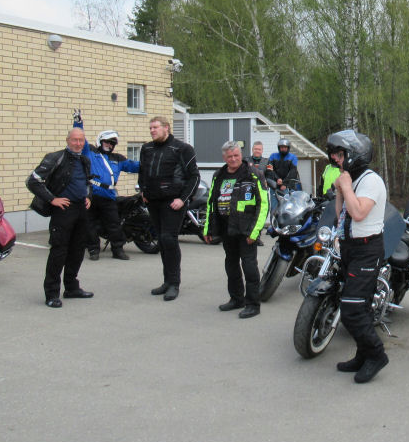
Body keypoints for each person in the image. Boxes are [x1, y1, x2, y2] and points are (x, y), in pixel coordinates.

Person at [327, 129, 389, 384]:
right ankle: (362, 355)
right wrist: (341, 191)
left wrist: (345, 186)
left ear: (354, 155)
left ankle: (376, 355)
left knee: (351, 309)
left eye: (340, 154)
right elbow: (342, 214)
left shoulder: (371, 181)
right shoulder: (352, 179)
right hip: (350, 248)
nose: (335, 159)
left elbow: (359, 213)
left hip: (367, 249)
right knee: (360, 307)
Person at [26, 128, 94, 308]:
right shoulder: (55, 158)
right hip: (63, 211)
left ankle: (71, 288)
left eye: (81, 140)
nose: (78, 143)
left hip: (81, 210)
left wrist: (88, 197)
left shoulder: (85, 160)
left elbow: (87, 182)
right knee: (59, 252)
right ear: (67, 140)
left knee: (77, 251)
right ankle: (51, 294)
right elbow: (32, 181)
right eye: (74, 140)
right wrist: (52, 199)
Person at [138, 115, 200, 301]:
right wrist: (143, 191)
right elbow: (142, 172)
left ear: (166, 128)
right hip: (153, 201)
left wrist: (182, 199)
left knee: (168, 238)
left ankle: (174, 283)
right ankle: (166, 281)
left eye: (155, 127)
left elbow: (194, 177)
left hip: (173, 202)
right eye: (150, 128)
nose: (152, 130)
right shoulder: (146, 148)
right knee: (162, 241)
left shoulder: (182, 148)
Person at [203, 141, 269, 318]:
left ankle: (253, 304)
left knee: (249, 267)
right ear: (224, 157)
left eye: (236, 155)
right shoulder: (218, 175)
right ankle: (236, 298)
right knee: (231, 265)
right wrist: (208, 229)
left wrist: (255, 232)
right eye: (229, 156)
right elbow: (211, 203)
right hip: (226, 228)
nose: (233, 159)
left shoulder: (253, 174)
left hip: (246, 230)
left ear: (241, 155)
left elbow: (264, 204)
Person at [71, 117, 139, 260]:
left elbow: (134, 166)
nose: (109, 145)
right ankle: (93, 250)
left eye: (112, 143)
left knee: (114, 224)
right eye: (107, 142)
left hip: (108, 196)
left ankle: (118, 250)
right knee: (89, 224)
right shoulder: (90, 152)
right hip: (91, 195)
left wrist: (152, 160)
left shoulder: (118, 158)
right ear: (100, 141)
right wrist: (78, 123)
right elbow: (81, 139)